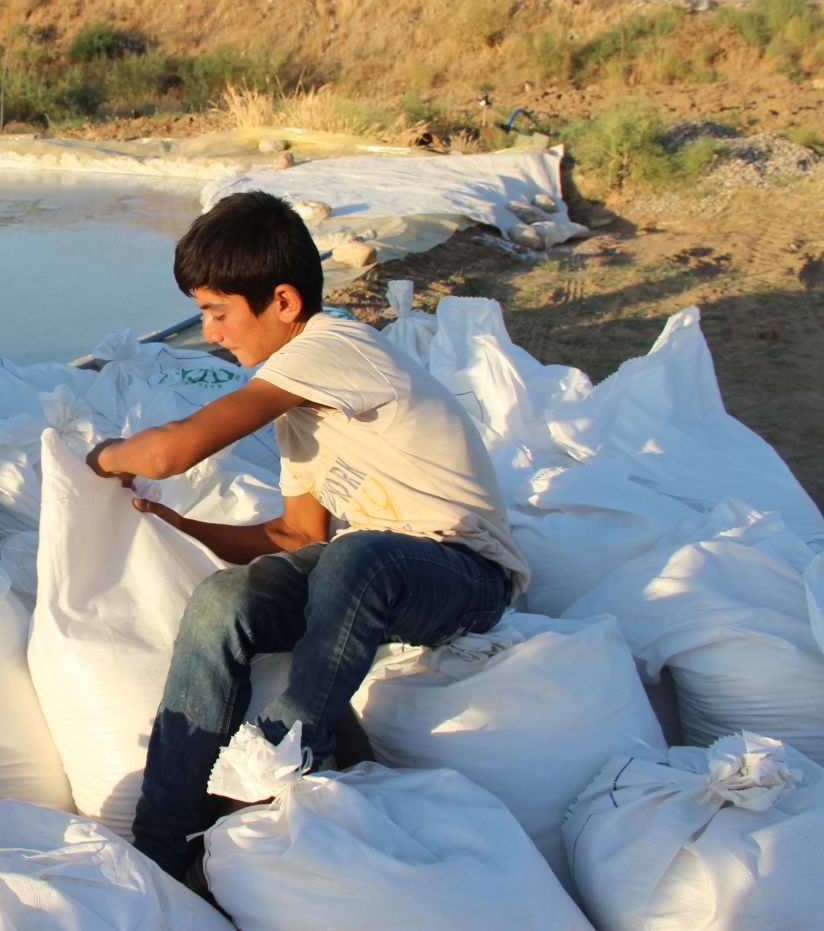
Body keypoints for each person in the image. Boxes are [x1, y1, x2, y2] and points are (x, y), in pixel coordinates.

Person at [85, 191, 527, 883]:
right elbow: (296, 534)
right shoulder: (300, 409)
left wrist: (106, 456)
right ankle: (162, 846)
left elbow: (174, 452)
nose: (210, 333)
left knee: (360, 553)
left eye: (218, 313)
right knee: (222, 601)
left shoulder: (333, 347)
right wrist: (184, 527)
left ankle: (275, 758)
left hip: (466, 570)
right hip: (376, 569)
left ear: (284, 302)